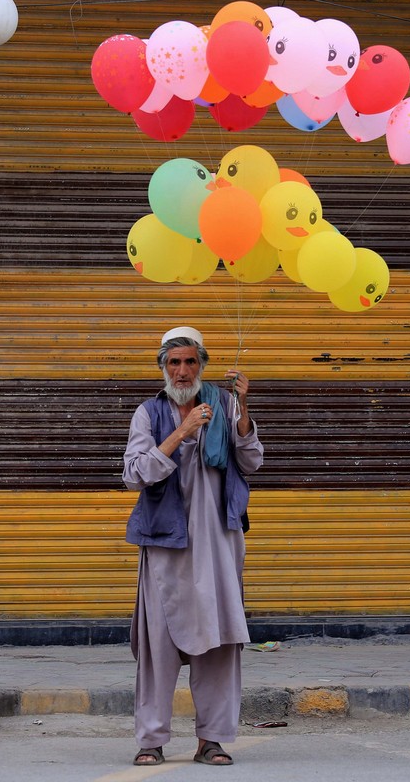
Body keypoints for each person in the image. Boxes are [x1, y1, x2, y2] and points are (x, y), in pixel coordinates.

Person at [121, 326, 264, 767]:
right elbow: (134, 473)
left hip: (219, 543)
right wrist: (181, 432)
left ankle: (212, 740)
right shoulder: (149, 413)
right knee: (158, 647)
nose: (183, 371)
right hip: (168, 547)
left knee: (220, 644)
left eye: (190, 362)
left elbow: (252, 461)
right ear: (163, 367)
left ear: (201, 365)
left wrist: (242, 418)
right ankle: (152, 740)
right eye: (174, 363)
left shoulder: (223, 404)